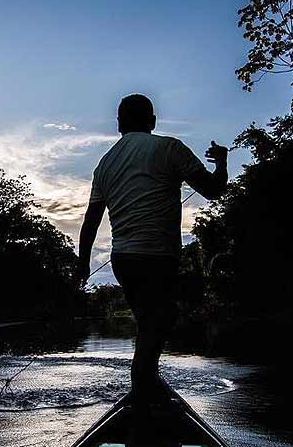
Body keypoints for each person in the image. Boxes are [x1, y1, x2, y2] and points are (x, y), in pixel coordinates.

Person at [77, 94, 228, 406]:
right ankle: (143, 385)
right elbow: (214, 190)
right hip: (158, 256)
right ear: (153, 121)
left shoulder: (104, 164)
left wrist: (82, 263)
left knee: (150, 322)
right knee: (159, 320)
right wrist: (222, 163)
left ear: (119, 124)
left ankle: (146, 383)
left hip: (123, 260)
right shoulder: (169, 148)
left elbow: (90, 221)